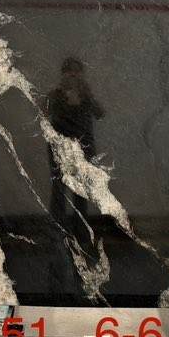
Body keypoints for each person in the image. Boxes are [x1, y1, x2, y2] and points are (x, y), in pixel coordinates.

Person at [43, 57, 104, 222]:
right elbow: (42, 111)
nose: (72, 74)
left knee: (81, 187)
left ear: (81, 74)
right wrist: (55, 94)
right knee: (59, 186)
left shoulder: (85, 95)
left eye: (76, 71)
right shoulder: (56, 93)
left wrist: (89, 95)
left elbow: (99, 113)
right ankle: (59, 226)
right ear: (63, 74)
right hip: (59, 146)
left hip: (83, 146)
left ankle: (80, 228)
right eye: (69, 71)